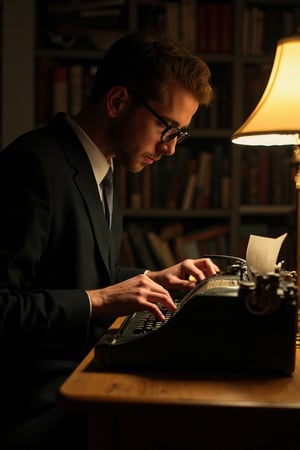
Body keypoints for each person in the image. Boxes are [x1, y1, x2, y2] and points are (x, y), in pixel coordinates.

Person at [0, 31, 219, 449]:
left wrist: (155, 277)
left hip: (83, 380)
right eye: (167, 126)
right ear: (118, 102)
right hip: (35, 405)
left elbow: (73, 270)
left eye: (179, 134)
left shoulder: (104, 168)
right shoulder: (32, 166)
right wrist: (100, 301)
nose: (170, 149)